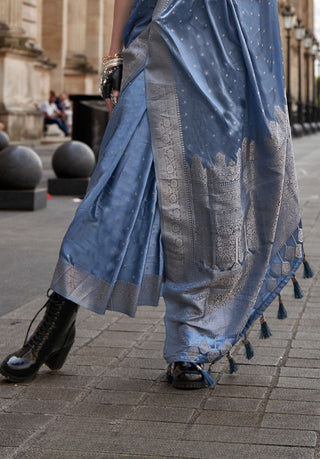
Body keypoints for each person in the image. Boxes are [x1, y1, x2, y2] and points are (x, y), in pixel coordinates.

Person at [0, 0, 304, 389]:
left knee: (209, 201)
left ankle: (190, 345)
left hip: (224, 50)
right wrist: (114, 55)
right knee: (113, 187)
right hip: (157, 39)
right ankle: (57, 317)